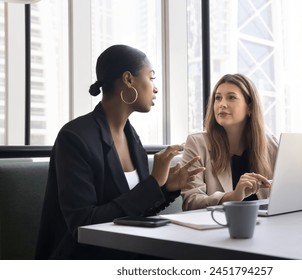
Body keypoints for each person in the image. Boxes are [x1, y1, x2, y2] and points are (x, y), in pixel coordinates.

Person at [35, 45, 204, 259]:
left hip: (126, 252)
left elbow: (135, 212)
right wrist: (153, 183)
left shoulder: (131, 137)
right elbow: (84, 225)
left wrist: (166, 187)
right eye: (151, 77)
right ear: (128, 79)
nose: (155, 88)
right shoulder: (75, 137)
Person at [181, 73, 278, 211]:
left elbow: (286, 192)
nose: (222, 104)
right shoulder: (197, 143)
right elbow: (190, 202)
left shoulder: (271, 144)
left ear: (250, 107)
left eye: (231, 97)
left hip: (265, 225)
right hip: (219, 227)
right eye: (217, 98)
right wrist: (231, 197)